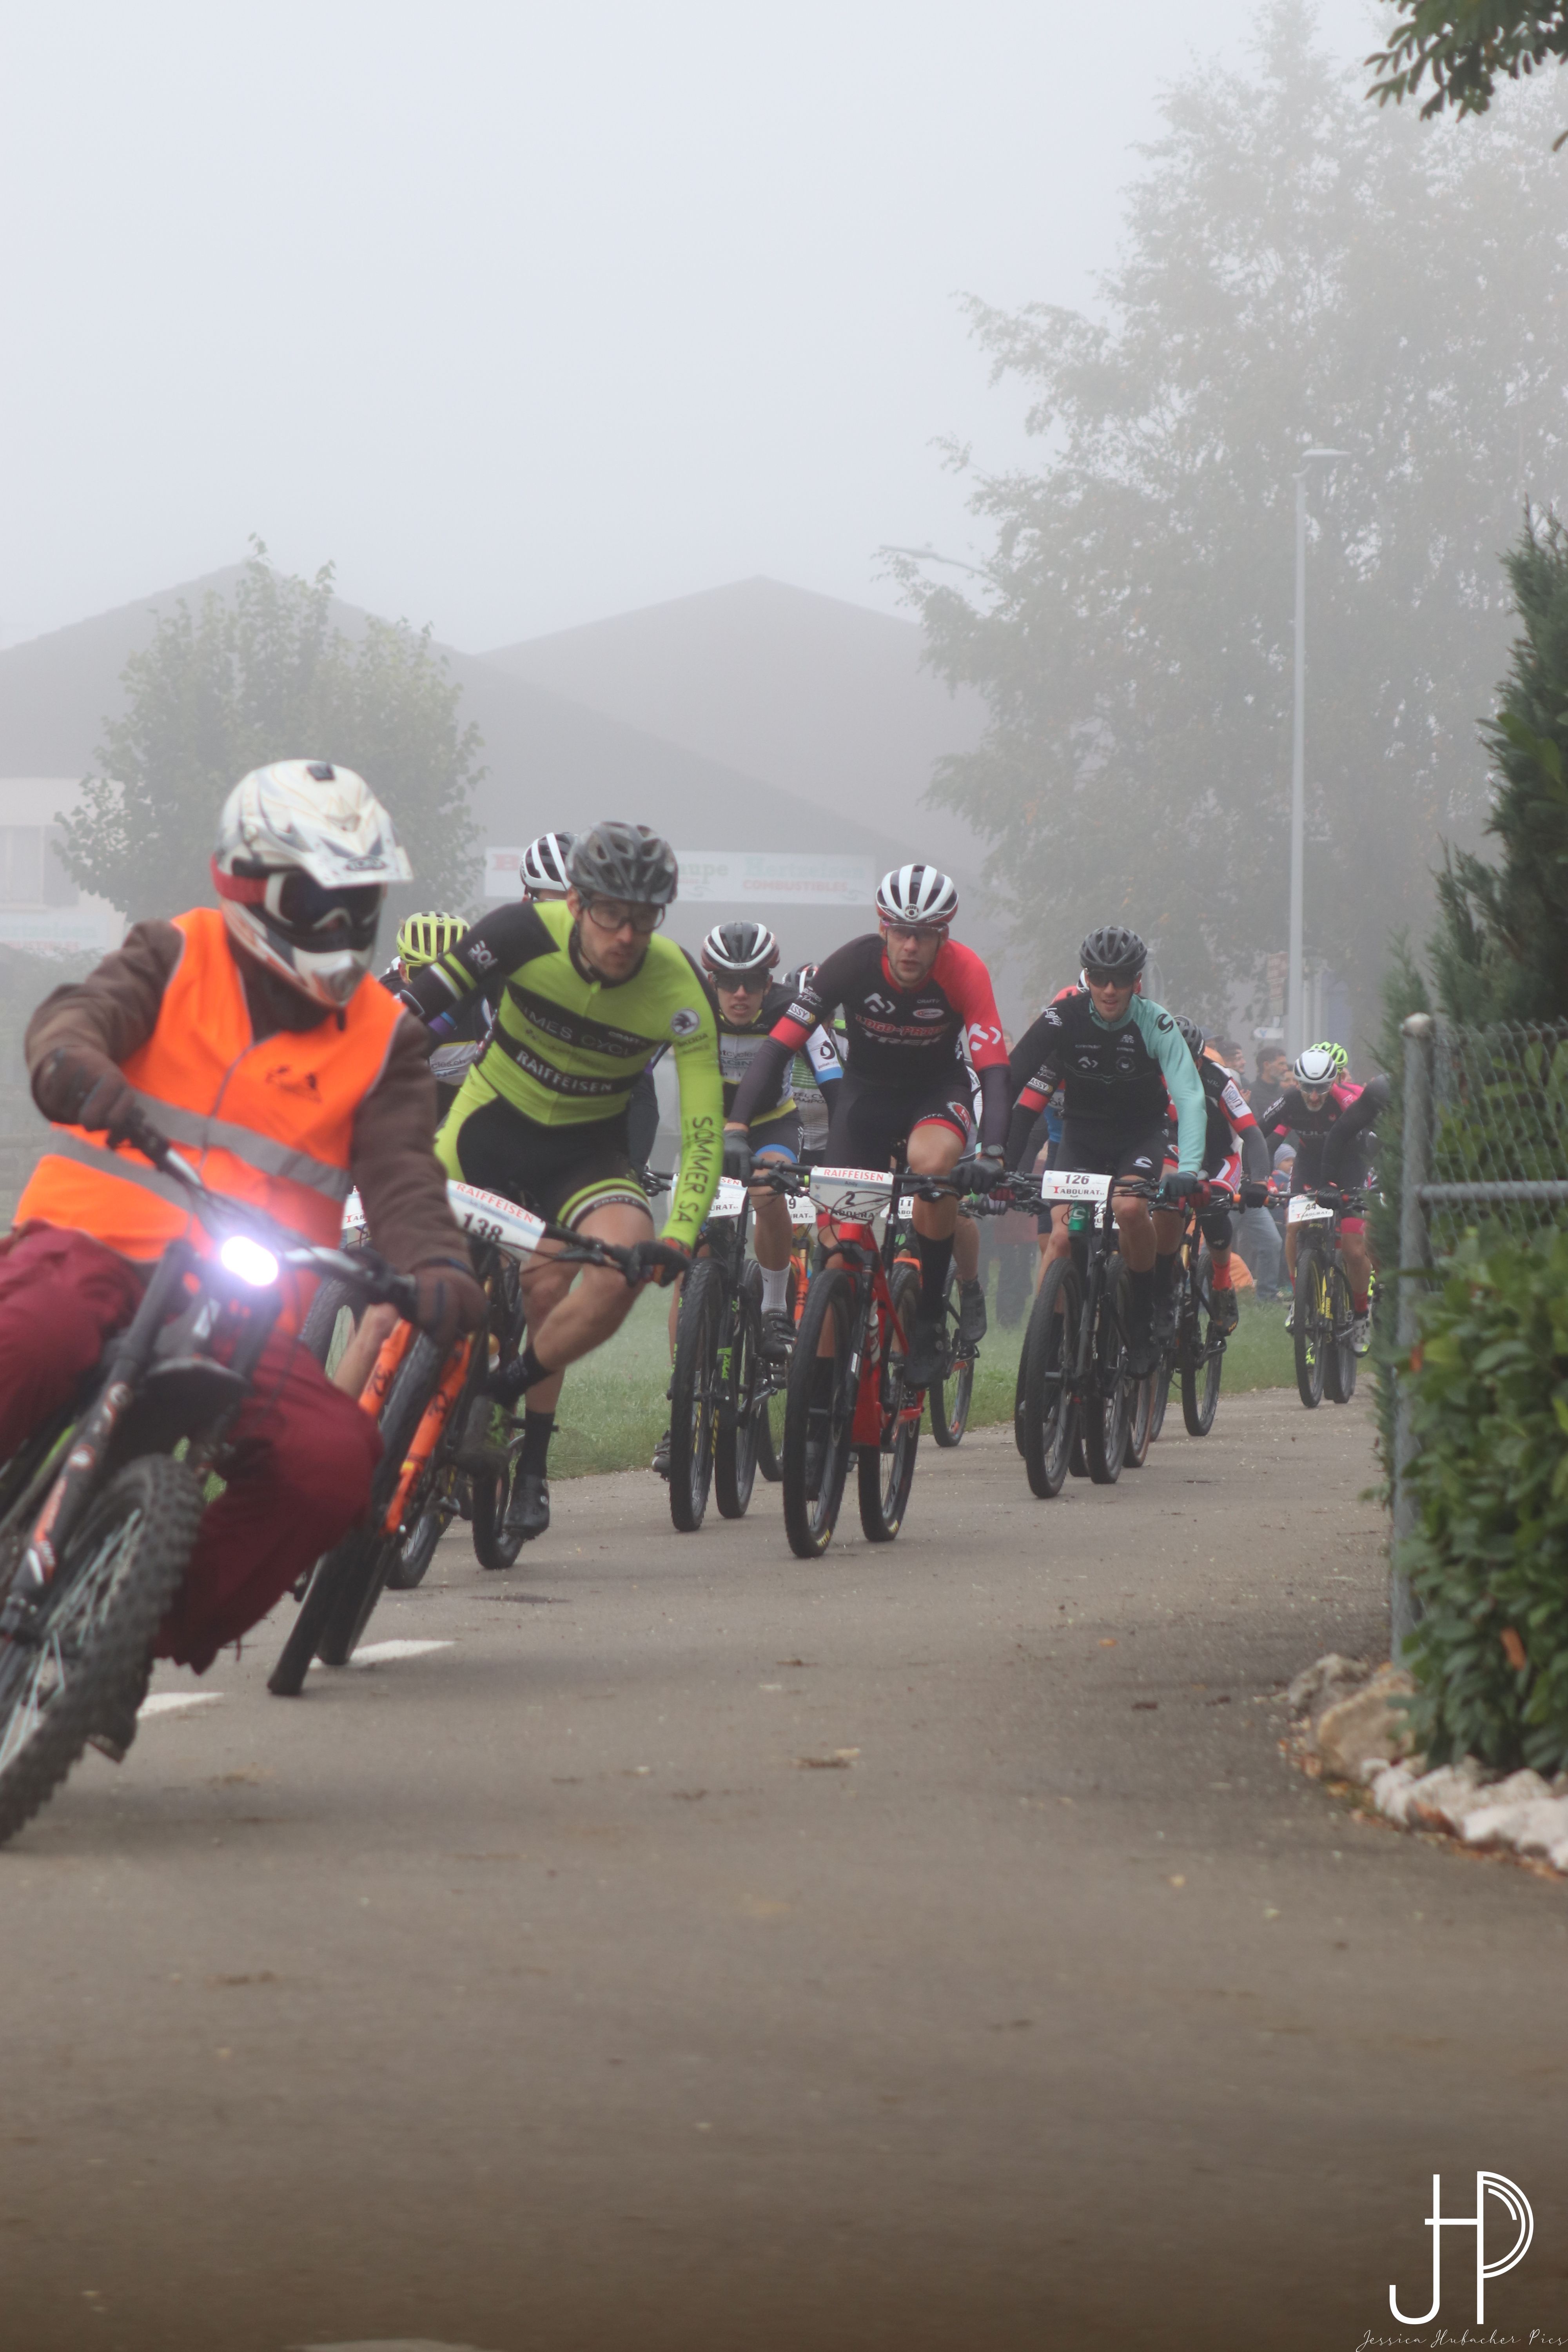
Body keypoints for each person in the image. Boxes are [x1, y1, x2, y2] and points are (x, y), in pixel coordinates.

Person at [2, 759, 484, 1747]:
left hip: (241, 1304)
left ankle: (119, 1641)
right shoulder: (172, 950)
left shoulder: (386, 1039)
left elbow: (403, 1175)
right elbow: (76, 1018)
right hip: (94, 1241)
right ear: (247, 883)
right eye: (315, 898)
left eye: (358, 902)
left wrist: (437, 1265)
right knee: (31, 1336)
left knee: (330, 1465)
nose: (339, 924)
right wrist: (73, 1064)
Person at [398, 821, 723, 1538]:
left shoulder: (679, 986)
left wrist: (678, 1234)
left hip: (584, 1152)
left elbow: (704, 1127)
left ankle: (524, 1440)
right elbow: (408, 1013)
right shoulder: (518, 932)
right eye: (610, 913)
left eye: (644, 918)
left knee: (594, 1274)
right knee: (396, 1280)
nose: (627, 935)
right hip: (487, 1126)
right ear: (576, 902)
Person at [723, 863, 1010, 1390]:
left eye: (924, 935)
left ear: (943, 936)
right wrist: (737, 1127)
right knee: (839, 1251)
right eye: (901, 931)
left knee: (931, 1167)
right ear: (883, 928)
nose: (910, 946)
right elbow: (779, 1045)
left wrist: (992, 1152)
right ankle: (823, 1391)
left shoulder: (965, 970)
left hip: (935, 1094)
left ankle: (928, 1318)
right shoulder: (852, 964)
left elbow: (993, 1069)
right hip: (865, 1097)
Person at [1005, 926, 1205, 1376]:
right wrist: (991, 1156)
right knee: (1062, 1238)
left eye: (1120, 979)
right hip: (1082, 1138)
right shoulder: (1063, 1017)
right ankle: (1050, 1350)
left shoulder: (1155, 1022)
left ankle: (1141, 1315)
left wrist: (1189, 1169)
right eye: (1099, 978)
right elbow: (1013, 1077)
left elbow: (1190, 1096)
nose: (1110, 989)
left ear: (1137, 981)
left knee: (1130, 1209)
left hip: (1139, 1136)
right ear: (1087, 978)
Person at [1253, 1045, 1376, 1351]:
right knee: (1294, 1228)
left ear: (1334, 1082)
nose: (1314, 1096)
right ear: (1297, 1082)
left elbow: (1373, 1135)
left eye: (1322, 1088)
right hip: (1309, 1166)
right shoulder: (1291, 1100)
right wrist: (1256, 1178)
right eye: (1307, 1087)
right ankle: (1301, 1299)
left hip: (1349, 1168)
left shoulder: (1346, 1100)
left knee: (1354, 1251)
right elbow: (1260, 1135)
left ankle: (1361, 1314)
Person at [1168, 1016, 1271, 1333]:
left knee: (1212, 1209)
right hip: (1175, 1154)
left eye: (1189, 1061)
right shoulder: (1152, 1075)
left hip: (1219, 1158)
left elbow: (1252, 1134)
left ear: (1200, 1058)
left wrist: (1259, 1181)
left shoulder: (1219, 1080)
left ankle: (1223, 1282)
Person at [383, 912, 481, 1115]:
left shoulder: (485, 1002)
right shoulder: (385, 999)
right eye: (425, 974)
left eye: (454, 975)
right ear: (403, 972)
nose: (440, 987)